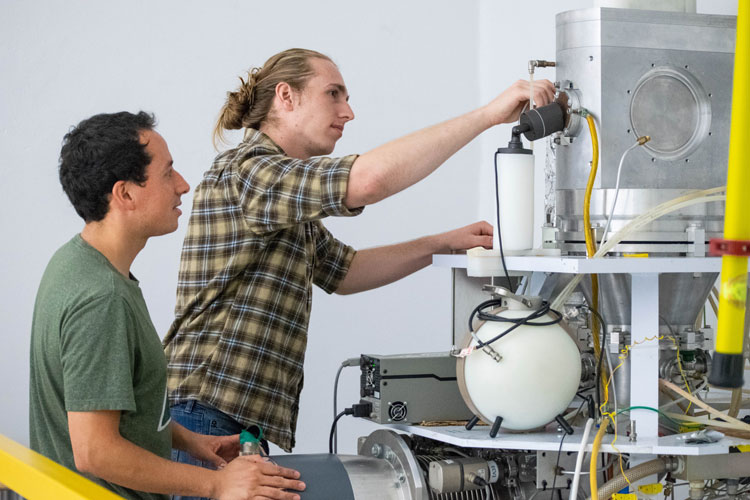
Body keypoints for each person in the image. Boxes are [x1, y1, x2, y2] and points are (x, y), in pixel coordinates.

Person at [164, 48, 555, 456]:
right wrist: (489, 115)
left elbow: (345, 272)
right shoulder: (250, 173)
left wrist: (441, 243)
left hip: (229, 419)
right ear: (286, 97)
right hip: (204, 415)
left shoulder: (282, 197)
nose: (347, 112)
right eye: (333, 94)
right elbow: (368, 180)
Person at [29, 111, 305, 500]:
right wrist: (215, 483)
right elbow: (95, 451)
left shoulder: (76, 263)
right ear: (125, 193)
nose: (183, 185)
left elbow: (115, 400)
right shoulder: (100, 299)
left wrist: (193, 442)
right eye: (167, 173)